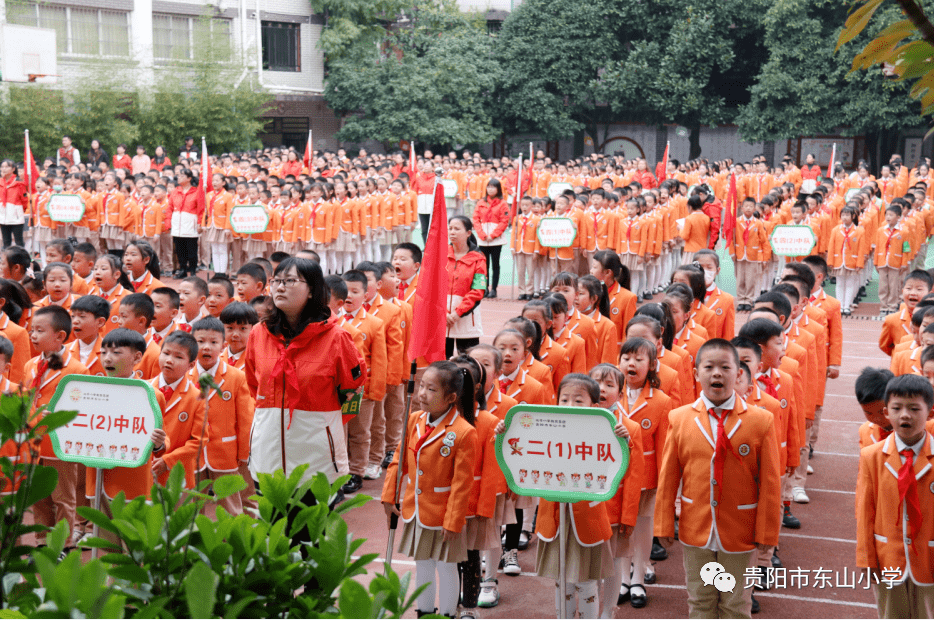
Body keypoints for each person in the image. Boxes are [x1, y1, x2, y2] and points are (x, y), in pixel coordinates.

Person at [655, 339, 782, 619]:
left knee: (736, 605)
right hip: (695, 529)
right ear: (696, 372)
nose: (717, 374)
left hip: (741, 530)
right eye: (709, 367)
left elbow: (771, 483)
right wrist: (664, 524)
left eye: (725, 367)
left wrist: (767, 534)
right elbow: (668, 478)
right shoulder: (680, 418)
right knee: (700, 602)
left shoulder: (761, 421)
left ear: (739, 373)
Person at [243, 257, 365, 530]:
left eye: (290, 281)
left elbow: (352, 392)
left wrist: (324, 428)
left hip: (317, 458)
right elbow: (255, 385)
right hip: (267, 455)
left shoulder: (337, 338)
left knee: (311, 541)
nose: (280, 288)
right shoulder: (258, 334)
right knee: (272, 539)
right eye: (277, 281)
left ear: (312, 289)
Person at [381, 361, 478, 619]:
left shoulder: (463, 432)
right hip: (417, 510)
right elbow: (398, 460)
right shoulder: (414, 420)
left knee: (447, 567)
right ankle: (424, 613)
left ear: (451, 398)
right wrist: (389, 495)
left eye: (431, 389)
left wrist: (453, 521)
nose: (422, 393)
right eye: (422, 386)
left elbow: (461, 483)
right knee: (423, 565)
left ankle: (447, 614)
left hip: (444, 516)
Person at [856, 374, 934, 618]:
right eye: (897, 408)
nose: (905, 415)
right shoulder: (872, 456)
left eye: (914, 408)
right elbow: (865, 511)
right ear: (886, 412)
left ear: (930, 412)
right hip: (888, 558)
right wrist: (866, 559)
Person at [190, 317, 254, 515]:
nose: (206, 347)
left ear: (223, 345)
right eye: (200, 342)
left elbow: (245, 418)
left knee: (232, 503)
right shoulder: (184, 377)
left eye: (213, 342)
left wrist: (245, 454)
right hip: (193, 452)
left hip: (226, 451)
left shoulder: (236, 377)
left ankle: (240, 541)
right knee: (192, 505)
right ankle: (192, 543)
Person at [446, 216, 487, 358]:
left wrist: (457, 313)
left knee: (468, 364)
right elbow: (433, 288)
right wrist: (443, 313)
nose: (452, 232)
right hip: (443, 321)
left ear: (468, 233)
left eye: (457, 229)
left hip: (468, 321)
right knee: (441, 365)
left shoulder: (479, 258)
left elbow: (478, 290)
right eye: (450, 228)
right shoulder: (441, 255)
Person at [472, 179, 509, 298]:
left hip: (495, 239)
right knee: (483, 264)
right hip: (483, 238)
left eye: (493, 187)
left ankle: (494, 289)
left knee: (495, 264)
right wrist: (482, 234)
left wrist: (493, 235)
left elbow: (504, 221)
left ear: (498, 189)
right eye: (489, 186)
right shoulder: (481, 202)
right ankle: (484, 288)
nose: (491, 189)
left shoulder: (502, 203)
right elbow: (476, 219)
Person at [167, 168, 202, 278]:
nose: (179, 177)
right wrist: (168, 223)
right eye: (178, 175)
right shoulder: (175, 191)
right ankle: (182, 269)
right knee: (179, 249)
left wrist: (200, 223)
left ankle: (192, 271)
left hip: (190, 223)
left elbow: (201, 209)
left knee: (191, 250)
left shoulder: (196, 191)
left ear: (189, 178)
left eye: (182, 175)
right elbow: (169, 208)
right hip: (177, 223)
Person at [0, 159, 27, 248]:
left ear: (13, 169)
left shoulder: (19, 183)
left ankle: (22, 260)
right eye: (2, 166)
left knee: (19, 241)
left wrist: (18, 211)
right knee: (6, 241)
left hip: (16, 217)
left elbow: (24, 200)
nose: (4, 169)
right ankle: (6, 260)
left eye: (7, 166)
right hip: (3, 217)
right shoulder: (0, 183)